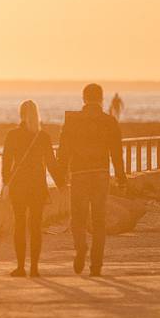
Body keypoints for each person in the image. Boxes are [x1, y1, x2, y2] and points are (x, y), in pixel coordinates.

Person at [57, 83, 126, 277]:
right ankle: (96, 265)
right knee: (99, 221)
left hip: (79, 174)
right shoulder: (109, 121)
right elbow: (117, 153)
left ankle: (80, 247)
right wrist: (121, 178)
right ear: (101, 99)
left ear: (84, 98)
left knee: (77, 218)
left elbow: (63, 151)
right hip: (100, 175)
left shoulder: (72, 121)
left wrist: (61, 176)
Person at [1, 100, 64, 278]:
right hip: (37, 186)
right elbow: (51, 163)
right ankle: (34, 268)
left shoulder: (12, 135)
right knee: (36, 226)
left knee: (19, 225)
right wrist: (61, 184)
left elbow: (6, 162)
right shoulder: (42, 136)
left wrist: (6, 183)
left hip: (18, 186)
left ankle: (21, 267)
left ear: (21, 114)